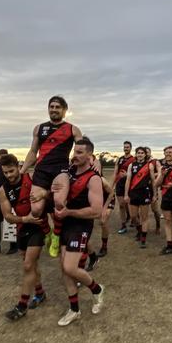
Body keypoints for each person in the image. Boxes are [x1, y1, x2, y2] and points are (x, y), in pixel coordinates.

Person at [52, 138, 105, 326]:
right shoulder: (69, 173)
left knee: (70, 268)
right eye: (75, 151)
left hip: (81, 225)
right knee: (64, 270)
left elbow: (97, 211)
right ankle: (74, 310)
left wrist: (70, 212)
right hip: (65, 223)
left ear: (90, 155)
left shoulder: (94, 178)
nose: (76, 155)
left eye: (80, 152)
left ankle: (97, 289)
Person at [0, 154, 50, 321]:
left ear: (18, 166)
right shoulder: (3, 190)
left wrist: (44, 194)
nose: (9, 175)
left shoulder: (32, 178)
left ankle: (21, 306)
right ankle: (40, 293)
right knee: (31, 265)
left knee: (28, 265)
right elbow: (7, 216)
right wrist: (23, 219)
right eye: (5, 173)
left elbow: (50, 194)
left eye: (11, 171)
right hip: (22, 228)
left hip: (38, 227)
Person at [20, 95, 83, 220]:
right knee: (36, 210)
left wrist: (93, 162)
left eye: (58, 107)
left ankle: (57, 234)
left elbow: (82, 150)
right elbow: (33, 152)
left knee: (59, 203)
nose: (54, 109)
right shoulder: (39, 128)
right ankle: (46, 231)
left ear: (65, 110)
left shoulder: (73, 129)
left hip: (61, 170)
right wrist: (22, 171)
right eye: (51, 107)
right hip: (41, 170)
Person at [124, 147, 156, 248]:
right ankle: (139, 230)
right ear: (136, 154)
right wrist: (126, 194)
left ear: (145, 155)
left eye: (142, 153)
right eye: (138, 153)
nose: (140, 154)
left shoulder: (149, 165)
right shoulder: (131, 165)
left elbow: (153, 181)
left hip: (145, 193)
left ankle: (143, 239)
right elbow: (128, 180)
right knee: (133, 217)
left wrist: (155, 194)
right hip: (133, 193)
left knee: (144, 217)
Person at [113, 141, 134, 234]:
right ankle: (123, 225)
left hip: (129, 185)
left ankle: (130, 216)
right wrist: (112, 184)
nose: (126, 148)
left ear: (130, 148)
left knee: (129, 205)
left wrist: (127, 175)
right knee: (121, 205)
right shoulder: (119, 159)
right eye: (125, 147)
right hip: (119, 184)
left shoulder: (134, 159)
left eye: (127, 147)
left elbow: (137, 174)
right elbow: (115, 172)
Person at [145, 147, 162, 234]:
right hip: (142, 189)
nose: (146, 153)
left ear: (150, 153)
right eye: (145, 152)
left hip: (152, 188)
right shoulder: (140, 163)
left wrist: (150, 175)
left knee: (155, 210)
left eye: (147, 152)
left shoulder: (155, 161)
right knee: (142, 210)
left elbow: (160, 173)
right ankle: (143, 229)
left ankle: (158, 225)